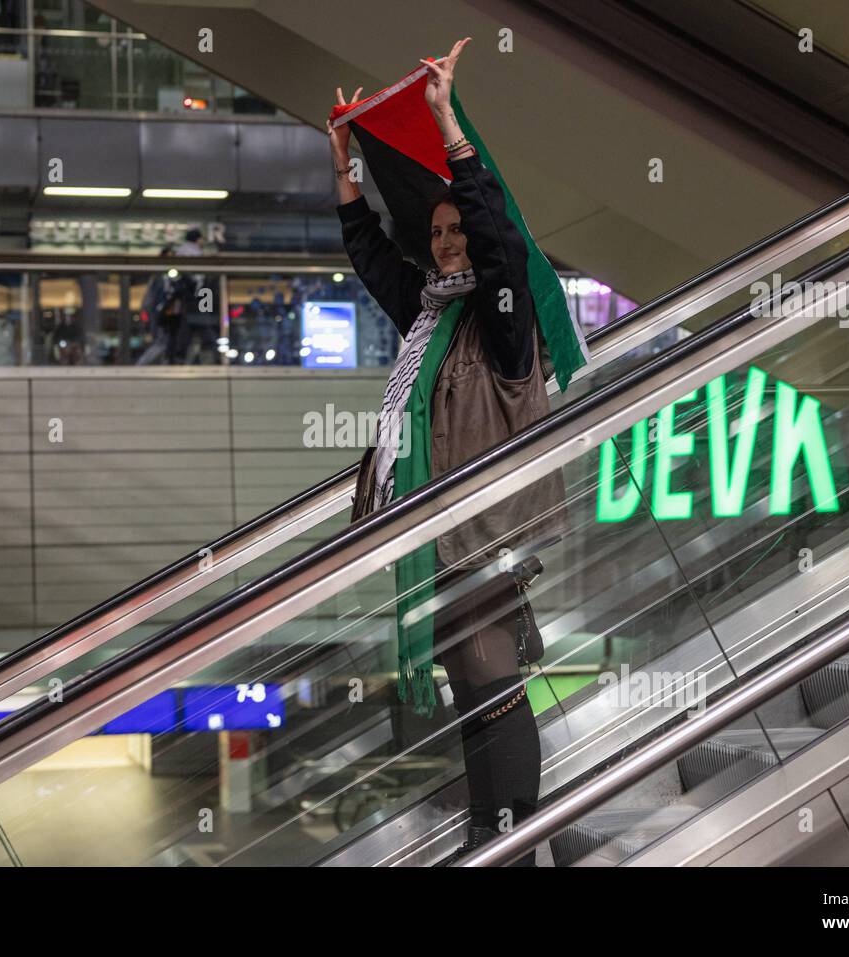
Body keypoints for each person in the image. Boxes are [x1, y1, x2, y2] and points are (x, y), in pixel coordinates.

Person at [330, 38, 563, 865]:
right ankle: (487, 829)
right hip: (447, 539)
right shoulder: (431, 318)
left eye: (457, 228)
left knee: (492, 680)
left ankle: (517, 831)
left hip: (487, 533)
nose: (449, 242)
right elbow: (370, 258)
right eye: (437, 233)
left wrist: (448, 131)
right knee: (471, 684)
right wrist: (346, 167)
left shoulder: (501, 320)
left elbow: (499, 241)